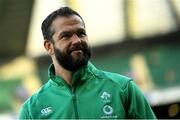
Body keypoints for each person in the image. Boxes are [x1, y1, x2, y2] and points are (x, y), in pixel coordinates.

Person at [19, 6, 156, 119]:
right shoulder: (31, 109)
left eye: (81, 33)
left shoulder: (123, 89)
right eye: (66, 36)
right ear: (49, 46)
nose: (77, 40)